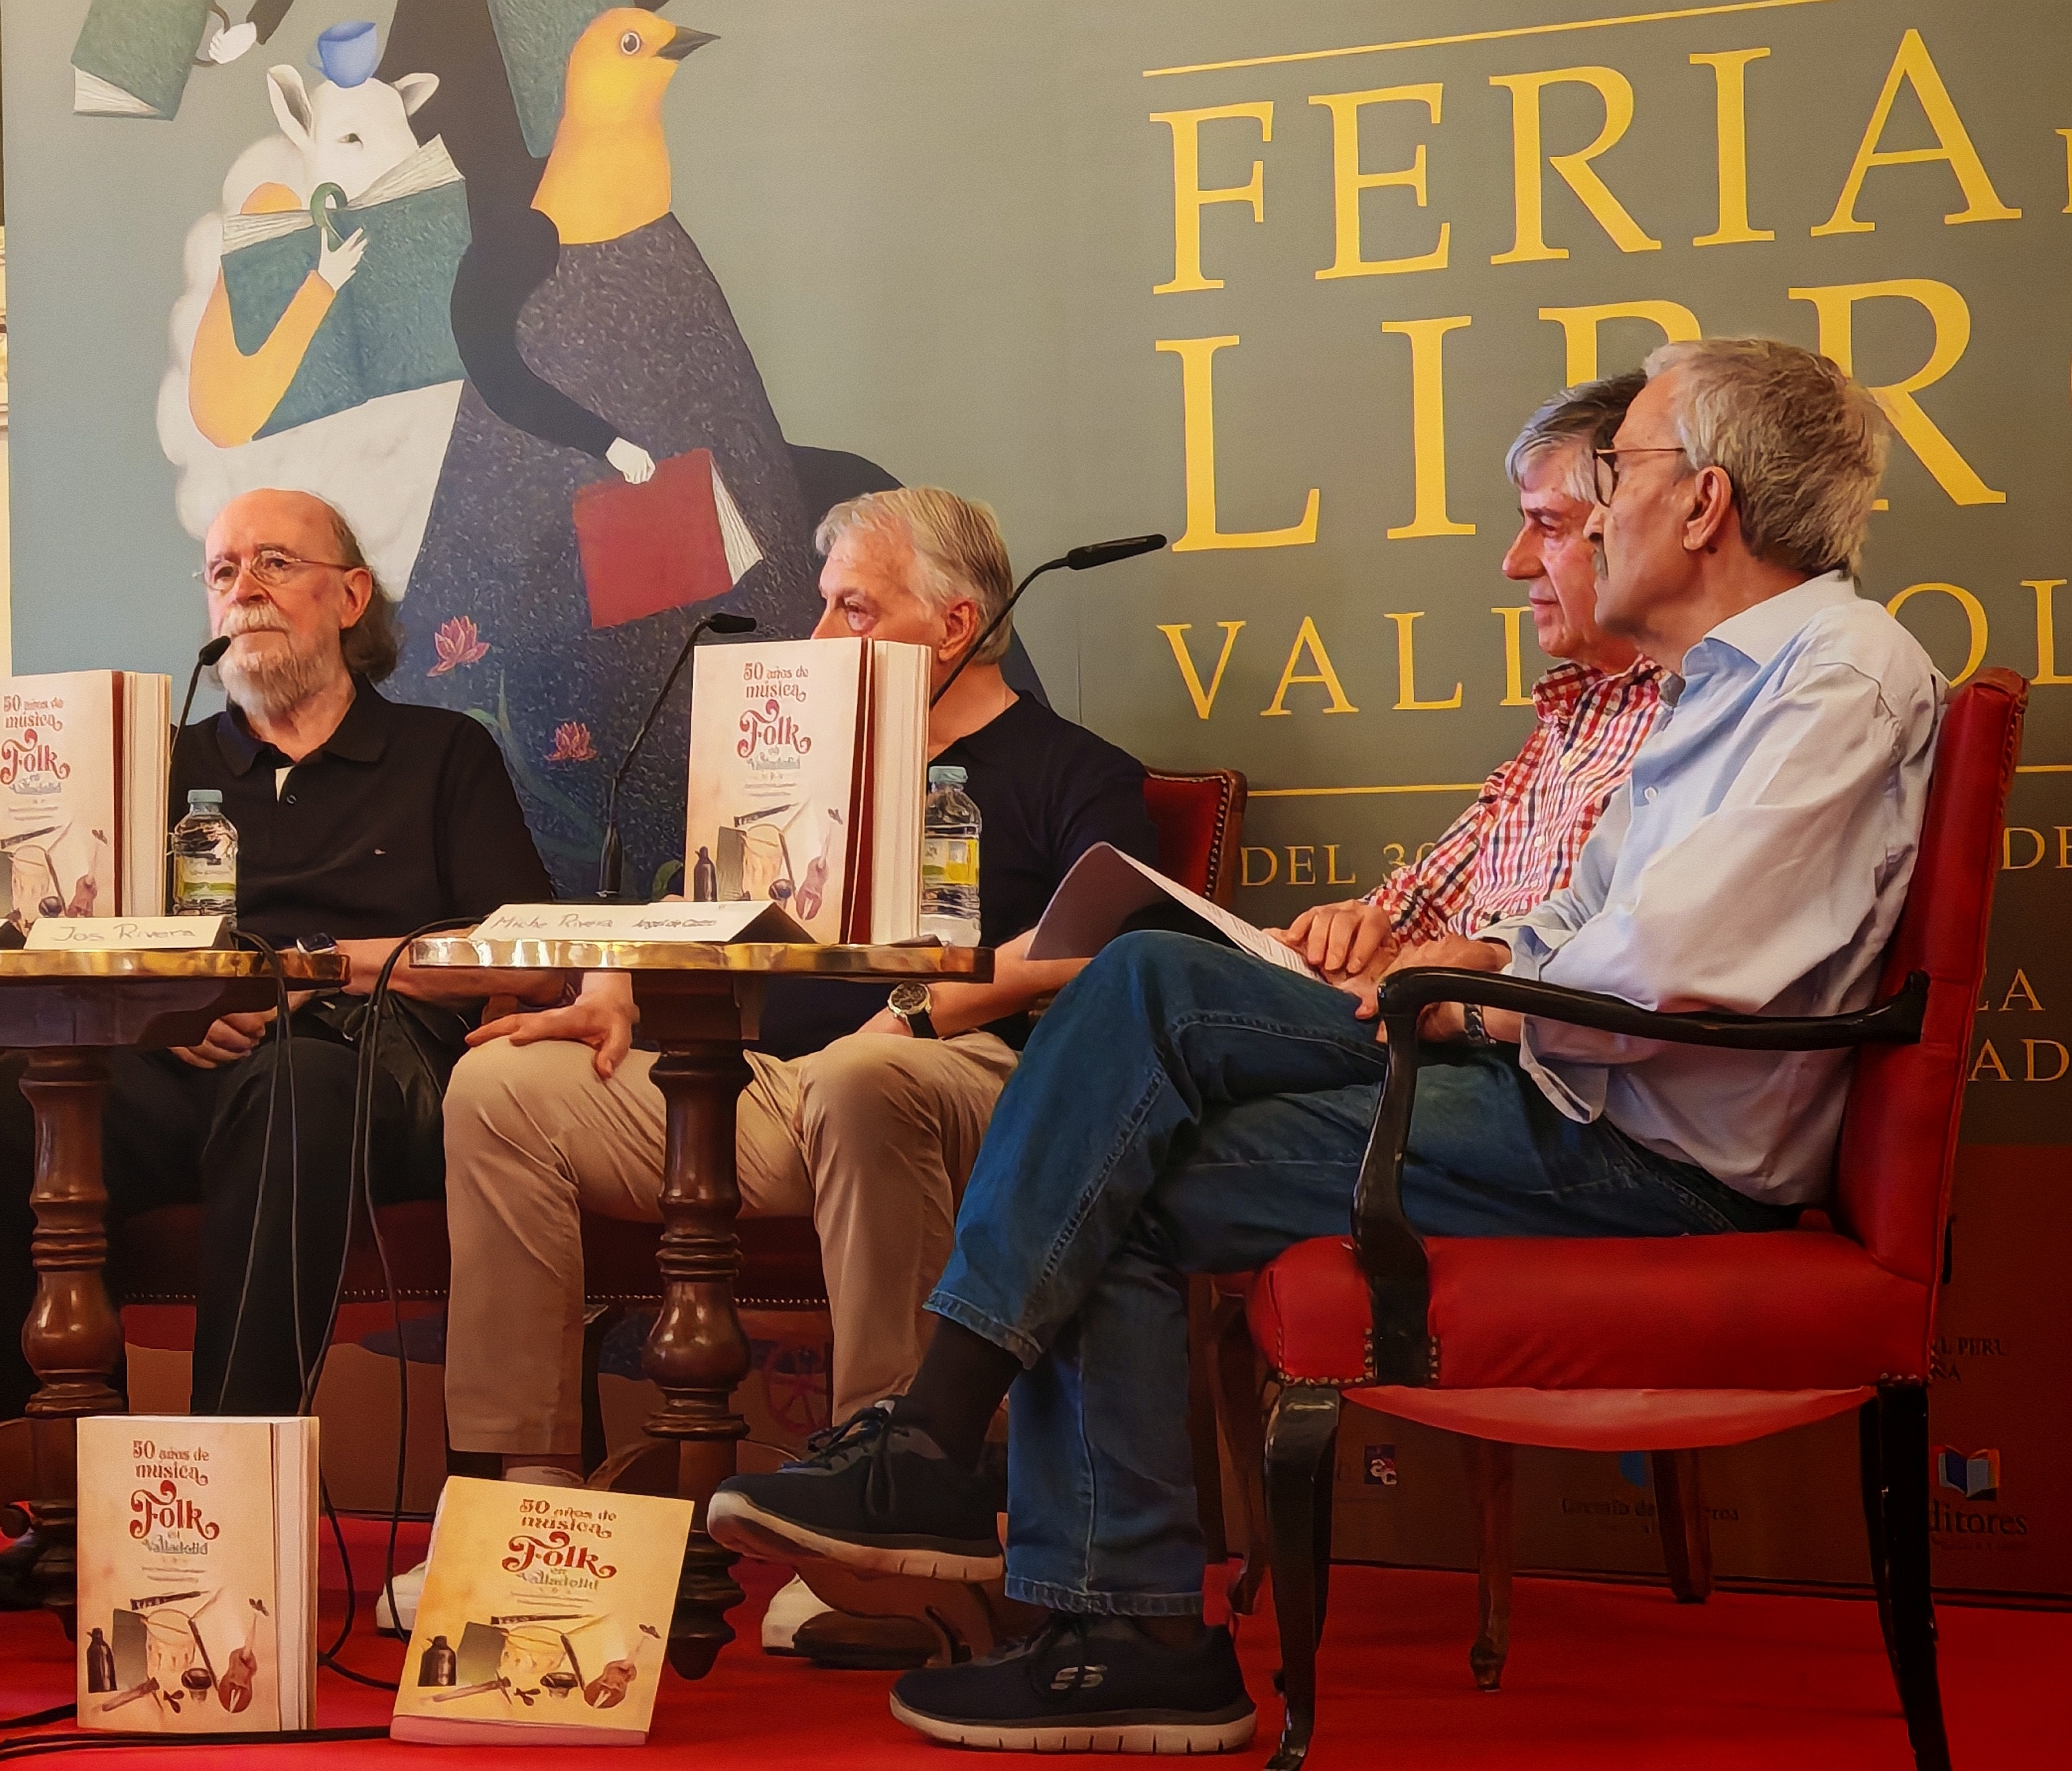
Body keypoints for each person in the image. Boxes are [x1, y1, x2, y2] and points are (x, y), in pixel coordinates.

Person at [704, 337, 1940, 1753]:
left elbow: (1678, 971)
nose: (1598, 513)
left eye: (1620, 473)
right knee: (1114, 1152)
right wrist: (1473, 959)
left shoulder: (1837, 677)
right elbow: (1586, 918)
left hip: (1644, 1149)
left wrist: (1456, 998)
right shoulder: (1712, 681)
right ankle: (1120, 1627)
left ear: (1705, 502)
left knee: (1141, 1002)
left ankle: (956, 1456)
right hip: (1570, 1086)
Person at [420, 488, 1161, 1646]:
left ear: (954, 625)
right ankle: (530, 1513)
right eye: (821, 607)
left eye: (852, 610)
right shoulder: (802, 771)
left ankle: (880, 1497)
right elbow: (703, 908)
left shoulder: (1072, 769)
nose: (816, 640)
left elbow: (1109, 937)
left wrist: (920, 1015)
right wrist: (611, 985)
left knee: (865, 1082)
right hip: (771, 1089)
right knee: (498, 1088)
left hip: (973, 1091)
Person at [0, 487, 563, 1607]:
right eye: (224, 570)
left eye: (276, 562)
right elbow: (79, 938)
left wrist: (302, 970)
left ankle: (219, 1497)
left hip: (361, 1068)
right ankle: (53, 1494)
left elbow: (519, 955)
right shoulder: (160, 763)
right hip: (182, 1063)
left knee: (294, 1085)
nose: (245, 589)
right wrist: (171, 1010)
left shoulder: (438, 753)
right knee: (5, 1095)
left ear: (351, 596)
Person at [1277, 373, 1665, 982]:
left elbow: (1631, 958)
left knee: (1153, 970)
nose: (1513, 563)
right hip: (1429, 1013)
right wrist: (1349, 932)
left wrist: (1466, 983)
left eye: (1548, 526)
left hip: (1512, 1030)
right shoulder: (1571, 710)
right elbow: (1417, 905)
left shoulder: (1701, 709)